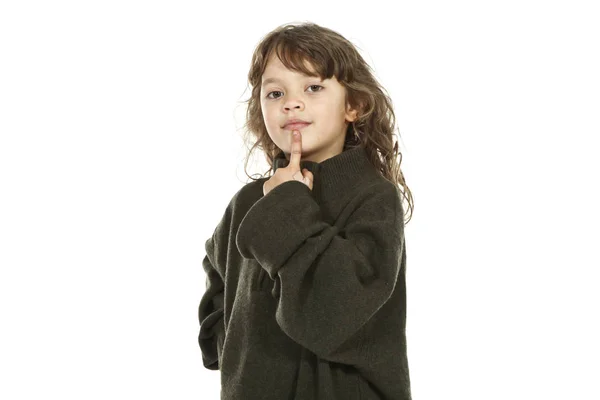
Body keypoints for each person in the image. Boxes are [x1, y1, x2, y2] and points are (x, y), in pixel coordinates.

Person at [198, 21, 414, 399]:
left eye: (313, 87)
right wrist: (232, 345)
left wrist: (288, 204)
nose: (291, 102)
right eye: (275, 92)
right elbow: (218, 277)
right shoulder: (250, 201)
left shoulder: (374, 198)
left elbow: (330, 317)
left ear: (354, 105)